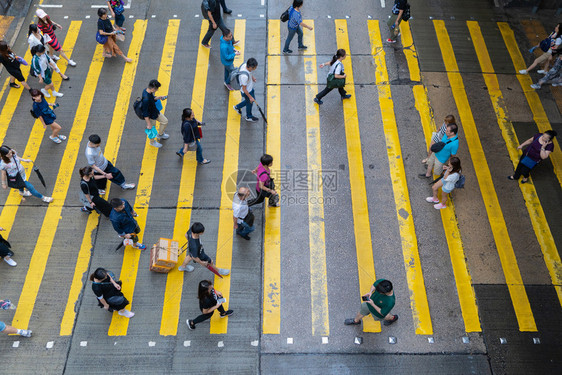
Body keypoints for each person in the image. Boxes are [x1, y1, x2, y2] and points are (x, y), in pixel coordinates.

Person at [142, 79, 169, 148]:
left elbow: (152, 98)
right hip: (151, 116)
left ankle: (160, 134)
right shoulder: (146, 99)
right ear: (153, 88)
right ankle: (152, 142)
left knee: (165, 121)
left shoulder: (147, 91)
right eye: (156, 89)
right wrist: (148, 124)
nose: (156, 90)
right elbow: (145, 113)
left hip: (155, 111)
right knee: (152, 130)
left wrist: (158, 97)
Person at [233, 58, 259, 122]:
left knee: (249, 101)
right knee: (250, 103)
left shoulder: (245, 65)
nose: (254, 69)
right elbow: (244, 89)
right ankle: (249, 116)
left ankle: (237, 107)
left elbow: (249, 73)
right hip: (247, 91)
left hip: (249, 89)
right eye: (254, 68)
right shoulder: (244, 77)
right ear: (250, 66)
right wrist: (250, 97)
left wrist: (252, 77)